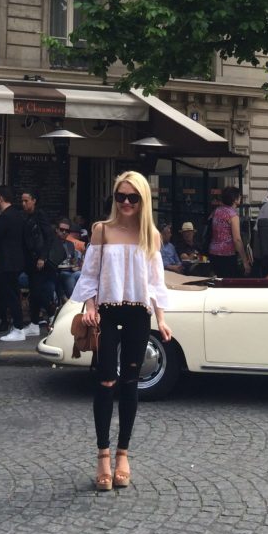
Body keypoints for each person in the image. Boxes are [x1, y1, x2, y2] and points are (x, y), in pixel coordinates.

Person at [73, 170, 172, 491]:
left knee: (130, 383)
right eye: (121, 196)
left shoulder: (151, 236)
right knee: (105, 381)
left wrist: (162, 318)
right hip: (107, 312)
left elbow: (156, 283)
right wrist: (89, 306)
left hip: (138, 314)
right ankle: (103, 455)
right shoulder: (102, 231)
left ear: (144, 199)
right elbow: (89, 274)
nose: (126, 202)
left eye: (133, 197)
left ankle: (123, 454)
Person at [0, 186, 39, 342]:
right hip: (15, 262)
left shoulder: (5, 217)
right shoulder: (18, 215)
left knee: (9, 295)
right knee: (2, 295)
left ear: (1, 198)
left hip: (6, 263)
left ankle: (18, 328)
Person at [21, 188, 60, 325]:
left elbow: (48, 236)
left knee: (37, 291)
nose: (23, 204)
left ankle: (49, 313)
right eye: (22, 201)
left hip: (40, 261)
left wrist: (42, 257)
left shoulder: (40, 215)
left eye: (26, 201)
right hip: (30, 260)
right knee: (34, 290)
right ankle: (35, 321)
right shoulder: (25, 217)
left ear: (34, 201)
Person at [208, 185, 252, 278]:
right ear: (234, 199)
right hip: (227, 254)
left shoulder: (216, 211)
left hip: (213, 252)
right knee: (229, 283)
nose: (241, 198)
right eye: (239, 196)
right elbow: (237, 239)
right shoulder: (233, 215)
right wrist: (245, 260)